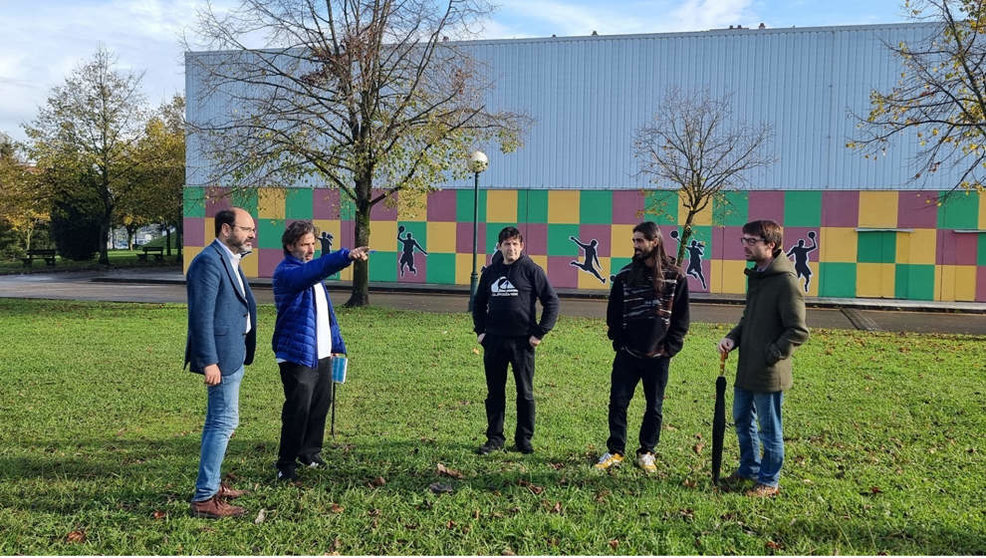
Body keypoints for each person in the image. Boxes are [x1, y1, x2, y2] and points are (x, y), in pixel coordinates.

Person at [717, 220, 809, 498]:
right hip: (747, 368)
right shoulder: (757, 275)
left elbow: (798, 331)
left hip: (769, 372)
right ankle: (749, 469)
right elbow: (749, 319)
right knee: (742, 421)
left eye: (752, 241)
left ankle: (769, 481)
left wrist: (771, 354)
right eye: (743, 239)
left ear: (771, 245)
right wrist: (733, 338)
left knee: (769, 430)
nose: (745, 245)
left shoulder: (785, 281)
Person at [271, 221, 369, 482]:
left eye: (313, 244)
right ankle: (286, 463)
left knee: (319, 405)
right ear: (290, 246)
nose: (311, 249)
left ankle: (310, 452)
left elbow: (326, 316)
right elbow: (314, 271)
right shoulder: (287, 272)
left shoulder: (310, 275)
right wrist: (344, 256)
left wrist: (336, 347)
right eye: (305, 244)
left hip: (321, 352)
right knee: (298, 409)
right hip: (296, 353)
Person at [595, 222, 690, 473]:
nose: (635, 245)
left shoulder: (675, 276)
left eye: (640, 241)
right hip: (627, 354)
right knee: (618, 402)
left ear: (654, 242)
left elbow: (681, 317)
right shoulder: (625, 275)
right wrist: (618, 340)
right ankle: (615, 450)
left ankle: (647, 452)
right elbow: (613, 313)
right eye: (634, 240)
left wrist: (671, 347)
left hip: (659, 356)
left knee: (654, 406)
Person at [184, 207, 258, 518]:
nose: (252, 234)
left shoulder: (230, 259)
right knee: (222, 423)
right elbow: (200, 317)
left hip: (233, 353)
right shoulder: (208, 262)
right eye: (246, 229)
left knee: (220, 422)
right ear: (226, 230)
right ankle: (205, 498)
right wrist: (209, 361)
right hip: (220, 359)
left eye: (253, 230)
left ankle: (212, 485)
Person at [473, 226, 559, 455]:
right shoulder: (491, 272)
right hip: (494, 342)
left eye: (515, 244)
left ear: (522, 246)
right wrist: (480, 332)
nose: (511, 248)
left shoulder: (532, 270)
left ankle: (523, 439)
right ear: (499, 247)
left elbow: (552, 302)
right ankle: (495, 438)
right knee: (495, 393)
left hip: (523, 343)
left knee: (525, 393)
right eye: (506, 244)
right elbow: (479, 303)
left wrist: (540, 333)